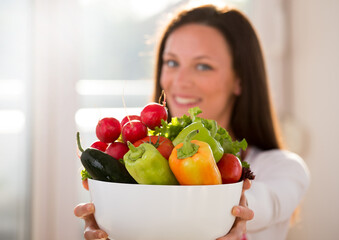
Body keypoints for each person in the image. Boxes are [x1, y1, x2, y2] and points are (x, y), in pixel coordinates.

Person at [74, 4, 310, 240]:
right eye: (172, 63)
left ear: (239, 80)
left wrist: (236, 208)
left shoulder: (284, 168)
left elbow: (267, 203)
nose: (180, 80)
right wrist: (110, 218)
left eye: (202, 66)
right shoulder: (141, 163)